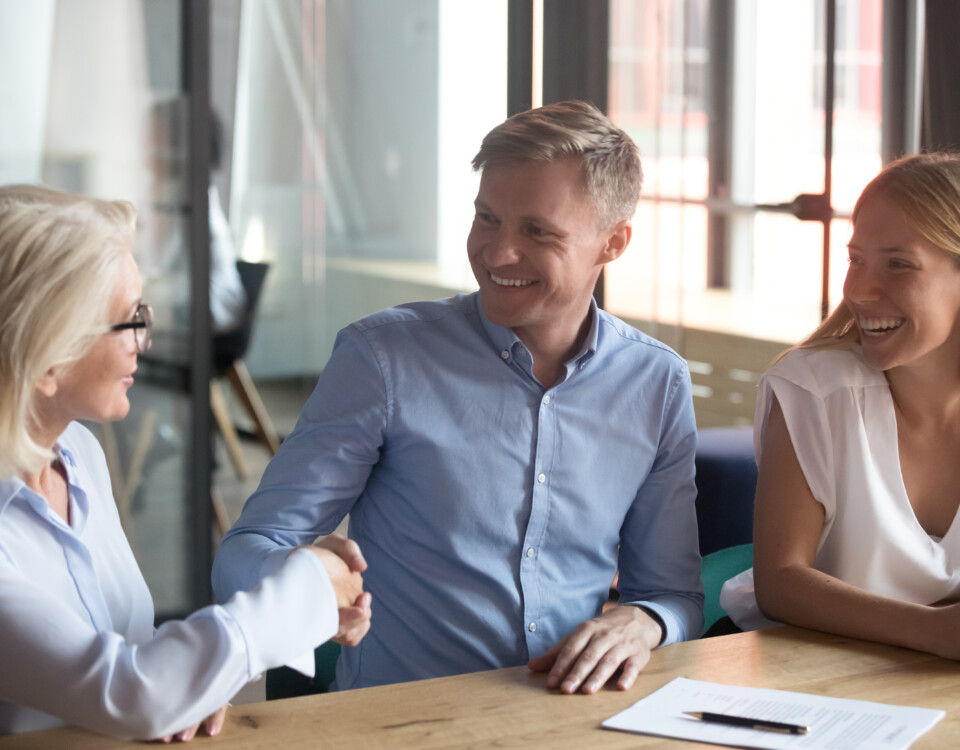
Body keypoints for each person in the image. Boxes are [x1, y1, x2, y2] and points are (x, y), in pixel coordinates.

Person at [213, 100, 703, 694]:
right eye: (487, 218)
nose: (498, 254)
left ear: (613, 243)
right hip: (404, 726)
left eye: (537, 231)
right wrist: (299, 578)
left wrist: (644, 621)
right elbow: (244, 553)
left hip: (570, 724)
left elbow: (672, 597)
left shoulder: (657, 384)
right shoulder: (382, 359)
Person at [0, 184, 372, 739]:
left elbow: (134, 652)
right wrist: (303, 590)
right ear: (47, 356)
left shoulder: (77, 453)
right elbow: (127, 691)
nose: (144, 340)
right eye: (127, 321)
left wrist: (192, 685)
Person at [719, 152, 960, 659]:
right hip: (807, 674)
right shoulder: (814, 391)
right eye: (855, 260)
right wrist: (933, 631)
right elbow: (782, 581)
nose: (857, 290)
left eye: (898, 264)